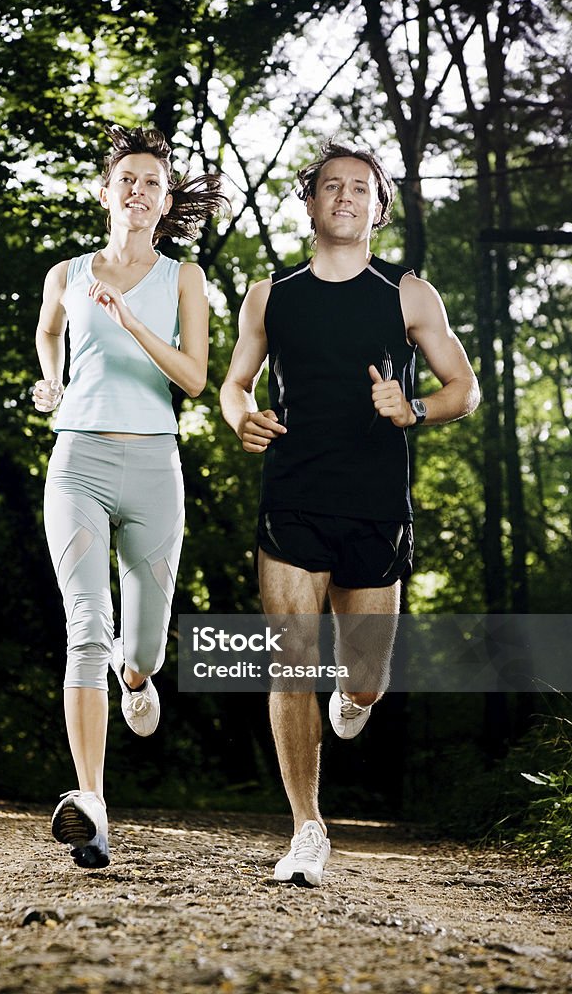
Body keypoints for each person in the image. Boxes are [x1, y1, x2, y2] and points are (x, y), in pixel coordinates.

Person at [220, 139, 479, 887]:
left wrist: (415, 409)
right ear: (308, 203)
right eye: (329, 185)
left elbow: (463, 387)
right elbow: (235, 382)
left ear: (377, 209)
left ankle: (354, 694)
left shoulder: (407, 295)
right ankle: (307, 826)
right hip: (293, 494)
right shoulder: (270, 294)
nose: (343, 196)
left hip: (374, 505)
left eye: (358, 188)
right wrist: (241, 415)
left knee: (362, 678)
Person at [33, 124, 227, 868]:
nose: (139, 191)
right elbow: (51, 333)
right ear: (104, 193)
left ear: (165, 197)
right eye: (127, 180)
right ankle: (92, 803)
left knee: (140, 645)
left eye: (153, 181)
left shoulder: (183, 278)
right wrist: (52, 377)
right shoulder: (66, 273)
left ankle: (137, 679)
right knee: (86, 624)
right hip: (76, 459)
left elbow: (194, 379)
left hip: (153, 467)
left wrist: (131, 321)